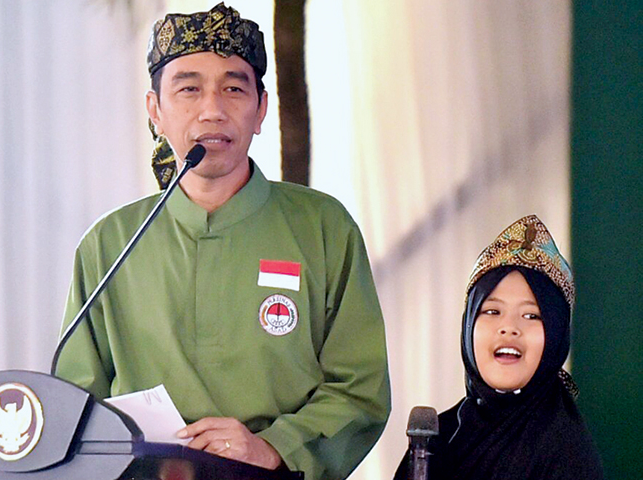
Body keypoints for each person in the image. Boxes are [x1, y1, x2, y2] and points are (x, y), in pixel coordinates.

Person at [55, 3, 391, 479]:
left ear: (261, 109)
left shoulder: (324, 229)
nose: (212, 110)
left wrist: (272, 447)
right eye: (188, 89)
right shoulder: (109, 244)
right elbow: (76, 401)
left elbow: (360, 390)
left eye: (234, 89)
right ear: (155, 111)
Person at [394, 215, 605, 479]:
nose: (509, 327)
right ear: (469, 325)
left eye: (531, 315)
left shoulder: (566, 454)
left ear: (556, 336)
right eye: (492, 311)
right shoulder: (436, 441)